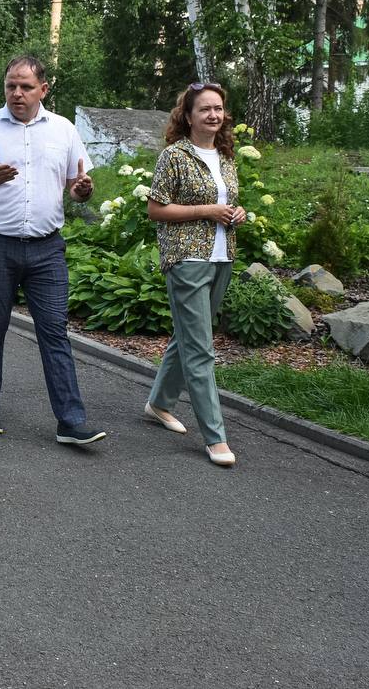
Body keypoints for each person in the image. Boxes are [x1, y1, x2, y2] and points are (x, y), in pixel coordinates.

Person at [0, 55, 107, 446]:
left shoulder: (64, 130)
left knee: (55, 332)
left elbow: (75, 182)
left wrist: (82, 190)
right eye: (11, 86)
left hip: (47, 249)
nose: (17, 93)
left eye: (26, 87)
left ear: (43, 89)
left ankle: (71, 420)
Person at [143, 82, 246, 467]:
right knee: (201, 348)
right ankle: (215, 437)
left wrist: (238, 214)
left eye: (218, 108)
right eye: (205, 109)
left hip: (222, 258)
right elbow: (156, 209)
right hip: (186, 259)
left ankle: (158, 403)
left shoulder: (226, 156)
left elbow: (228, 203)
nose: (214, 115)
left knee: (187, 336)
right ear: (188, 116)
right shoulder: (174, 156)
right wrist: (206, 210)